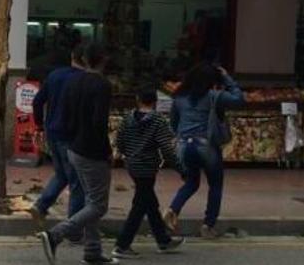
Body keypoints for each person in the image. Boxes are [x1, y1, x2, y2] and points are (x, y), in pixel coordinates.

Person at [39, 43, 117, 265]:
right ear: (102, 60)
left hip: (73, 146)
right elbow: (98, 123)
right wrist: (107, 151)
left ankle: (92, 250)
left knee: (90, 201)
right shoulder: (102, 85)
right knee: (98, 205)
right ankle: (56, 235)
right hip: (92, 150)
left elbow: (68, 116)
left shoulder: (74, 81)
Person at [164, 63, 245, 239]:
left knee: (191, 183)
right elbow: (239, 99)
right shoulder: (214, 96)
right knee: (215, 185)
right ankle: (208, 226)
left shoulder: (179, 98)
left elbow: (173, 124)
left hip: (184, 146)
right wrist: (227, 78)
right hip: (206, 146)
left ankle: (172, 210)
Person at [112, 88, 185, 259]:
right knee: (139, 206)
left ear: (138, 99)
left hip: (132, 166)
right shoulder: (158, 121)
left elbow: (119, 142)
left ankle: (163, 240)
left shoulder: (128, 118)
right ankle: (122, 245)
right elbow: (167, 149)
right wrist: (181, 169)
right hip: (148, 167)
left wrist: (128, 154)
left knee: (150, 203)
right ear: (155, 102)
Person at [29, 44, 86, 229]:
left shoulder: (54, 76)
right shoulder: (83, 79)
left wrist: (39, 125)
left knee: (62, 174)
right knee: (77, 181)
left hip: (52, 131)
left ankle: (41, 205)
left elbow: (37, 102)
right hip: (71, 135)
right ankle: (73, 227)